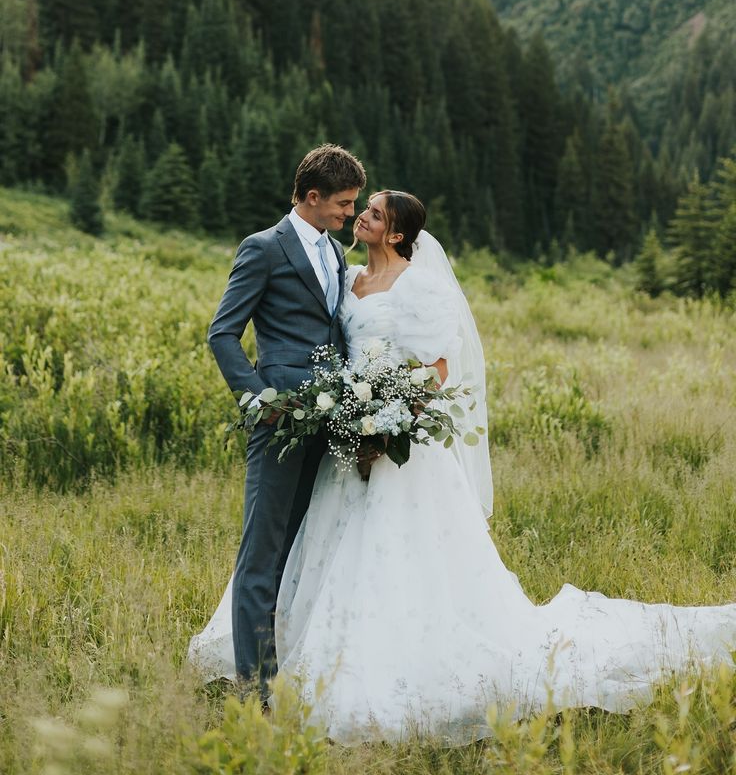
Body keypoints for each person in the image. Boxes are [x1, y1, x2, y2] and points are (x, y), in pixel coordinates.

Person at [191, 189, 736, 744]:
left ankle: (401, 666)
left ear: (399, 233)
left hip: (395, 449)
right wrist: (349, 415)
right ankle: (281, 666)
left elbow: (438, 370)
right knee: (327, 552)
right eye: (361, 207)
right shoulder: (346, 274)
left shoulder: (421, 286)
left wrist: (388, 419)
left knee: (400, 561)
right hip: (342, 440)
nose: (361, 216)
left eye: (374, 212)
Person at [195, 144, 366, 705]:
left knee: (301, 549)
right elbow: (223, 333)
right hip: (281, 420)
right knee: (262, 555)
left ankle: (288, 673)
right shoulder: (264, 249)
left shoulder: (336, 253)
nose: (349, 214)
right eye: (343, 204)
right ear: (312, 197)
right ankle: (254, 692)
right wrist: (256, 399)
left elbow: (333, 332)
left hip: (330, 421)